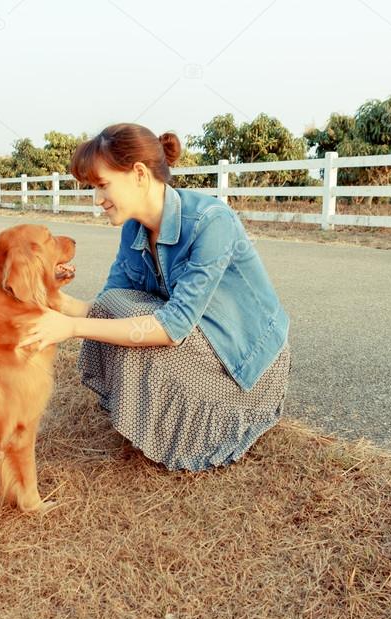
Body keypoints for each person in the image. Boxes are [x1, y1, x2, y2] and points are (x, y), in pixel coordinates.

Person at [17, 123, 290, 471]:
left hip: (243, 361)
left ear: (140, 175)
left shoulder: (210, 221)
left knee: (127, 315)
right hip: (197, 338)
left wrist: (70, 327)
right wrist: (46, 292)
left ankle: (203, 425)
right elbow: (103, 306)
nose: (97, 199)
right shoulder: (135, 228)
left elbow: (172, 326)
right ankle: (156, 423)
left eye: (102, 185)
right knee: (117, 306)